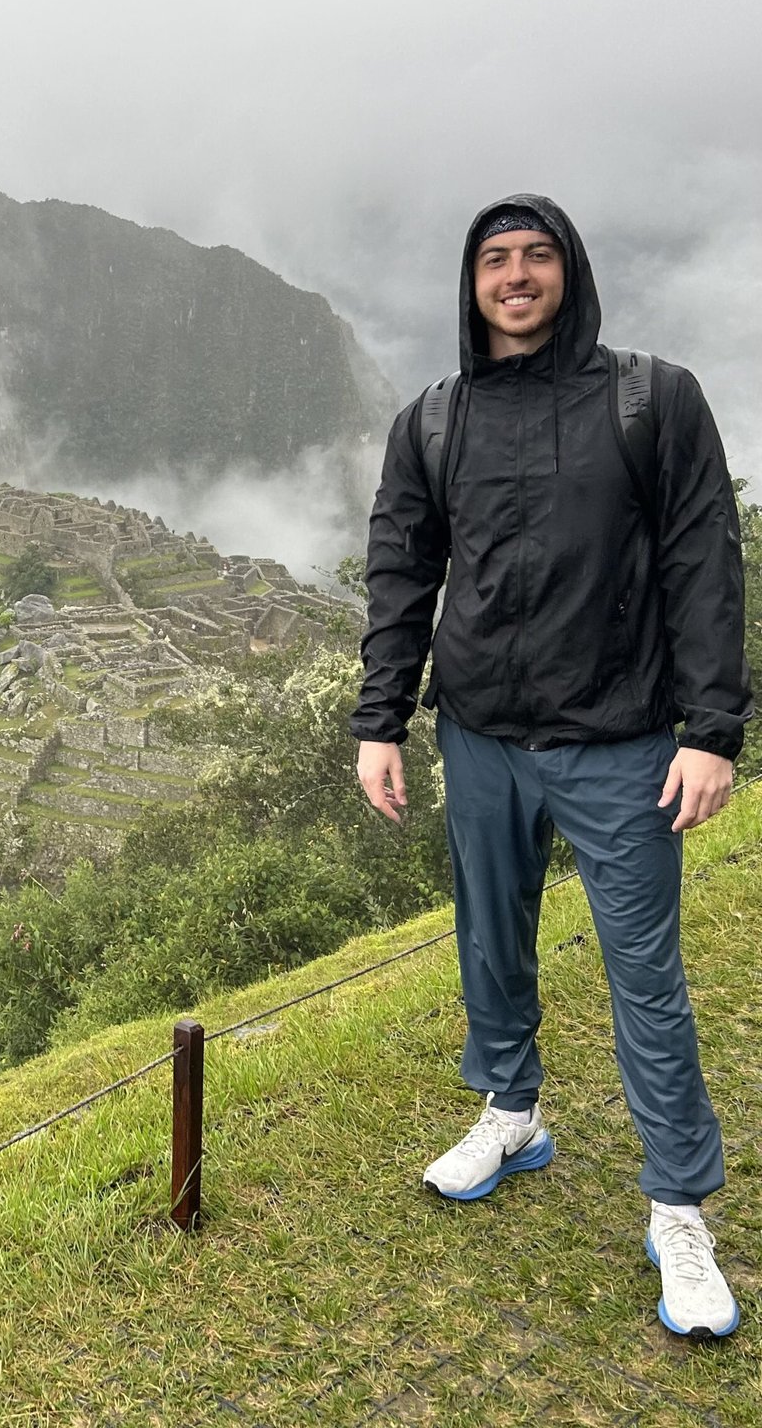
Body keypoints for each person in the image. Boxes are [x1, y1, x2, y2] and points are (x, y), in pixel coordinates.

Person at [350, 193, 751, 1340]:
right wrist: (382, 720)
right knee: (489, 940)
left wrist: (711, 729)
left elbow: (701, 559)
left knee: (645, 977)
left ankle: (677, 1205)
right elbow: (400, 572)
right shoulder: (432, 420)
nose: (515, 276)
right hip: (479, 735)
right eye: (494, 260)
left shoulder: (649, 398)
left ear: (567, 271)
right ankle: (512, 1109)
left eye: (535, 257)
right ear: (470, 282)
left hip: (622, 742)